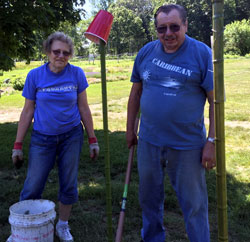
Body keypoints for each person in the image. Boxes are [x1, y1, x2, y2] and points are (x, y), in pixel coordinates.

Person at [126, 4, 215, 242]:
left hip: (188, 145)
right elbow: (135, 94)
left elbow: (215, 102)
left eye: (174, 27)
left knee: (194, 204)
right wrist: (129, 130)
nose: (168, 33)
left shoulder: (202, 53)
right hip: (149, 141)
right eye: (161, 28)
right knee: (149, 199)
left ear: (186, 25)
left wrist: (212, 141)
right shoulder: (146, 52)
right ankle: (153, 238)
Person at [11, 32, 99, 242]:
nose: (61, 55)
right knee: (33, 184)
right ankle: (24, 229)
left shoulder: (77, 74)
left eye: (66, 52)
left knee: (68, 182)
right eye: (56, 51)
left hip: (71, 137)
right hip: (43, 138)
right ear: (47, 52)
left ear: (70, 55)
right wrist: (18, 144)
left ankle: (62, 225)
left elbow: (84, 108)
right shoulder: (35, 75)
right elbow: (27, 111)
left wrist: (92, 139)